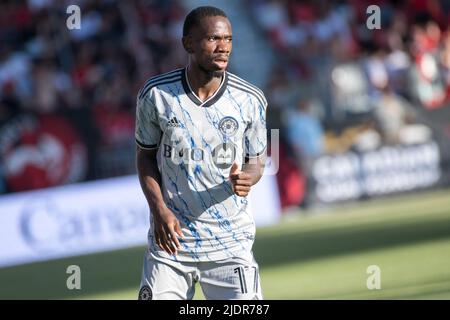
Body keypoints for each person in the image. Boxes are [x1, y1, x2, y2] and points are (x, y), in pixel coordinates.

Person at [135, 6, 268, 300]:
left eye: (229, 39)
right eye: (213, 39)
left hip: (230, 244)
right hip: (171, 245)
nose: (224, 47)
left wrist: (248, 177)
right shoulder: (156, 95)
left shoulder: (249, 99)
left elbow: (257, 160)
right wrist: (159, 210)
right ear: (188, 44)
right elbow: (145, 156)